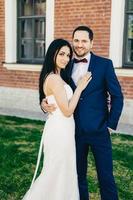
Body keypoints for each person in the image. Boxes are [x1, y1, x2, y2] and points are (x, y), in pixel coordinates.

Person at [41, 26, 124, 200]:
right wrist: (44, 103)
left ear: (91, 43)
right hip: (73, 132)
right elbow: (52, 90)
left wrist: (110, 125)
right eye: (76, 40)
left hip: (99, 131)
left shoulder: (104, 65)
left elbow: (117, 96)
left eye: (84, 41)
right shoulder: (64, 64)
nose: (79, 45)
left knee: (106, 178)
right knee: (78, 177)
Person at [22, 38, 92, 200]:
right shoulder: (54, 78)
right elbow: (67, 111)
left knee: (62, 170)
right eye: (61, 54)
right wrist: (80, 88)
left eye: (68, 55)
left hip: (64, 129)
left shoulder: (59, 76)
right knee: (56, 171)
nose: (66, 58)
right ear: (52, 54)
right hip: (60, 131)